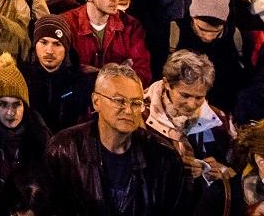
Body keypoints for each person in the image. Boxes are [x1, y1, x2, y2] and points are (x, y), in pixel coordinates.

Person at [44, 63, 192, 216]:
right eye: (119, 101)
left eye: (136, 103)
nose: (128, 110)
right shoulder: (63, 149)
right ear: (96, 101)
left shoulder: (163, 157)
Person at [0, 52, 52, 216]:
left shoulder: (40, 136)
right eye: (3, 104)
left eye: (17, 104)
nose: (10, 113)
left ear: (25, 105)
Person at [142, 49, 235, 179]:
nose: (191, 104)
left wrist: (223, 172)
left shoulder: (219, 120)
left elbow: (236, 172)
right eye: (185, 95)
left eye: (199, 97)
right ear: (167, 84)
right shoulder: (139, 115)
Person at [61, 0, 151, 81]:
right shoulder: (67, 23)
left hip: (118, 95)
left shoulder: (131, 26)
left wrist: (97, 74)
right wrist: (120, 72)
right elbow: (62, 71)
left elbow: (142, 73)